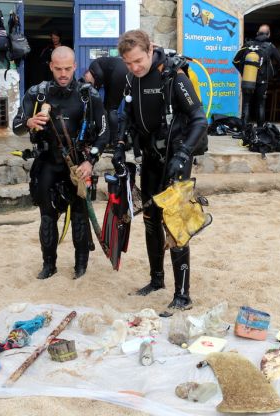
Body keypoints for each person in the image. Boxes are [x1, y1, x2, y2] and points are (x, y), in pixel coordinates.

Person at [116, 30, 207, 311]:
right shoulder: (132, 80)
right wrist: (120, 147)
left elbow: (199, 120)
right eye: (128, 63)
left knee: (175, 223)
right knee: (151, 219)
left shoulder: (173, 76)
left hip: (176, 157)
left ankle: (183, 295)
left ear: (150, 49)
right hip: (152, 158)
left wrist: (183, 155)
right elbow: (125, 118)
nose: (134, 68)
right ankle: (157, 280)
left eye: (138, 61)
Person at [12, 46, 109, 280]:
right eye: (58, 69)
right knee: (47, 216)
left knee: (78, 215)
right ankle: (49, 265)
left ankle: (81, 266)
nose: (63, 74)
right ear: (51, 67)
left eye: (68, 68)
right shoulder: (38, 94)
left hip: (77, 164)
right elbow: (16, 127)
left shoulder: (88, 95)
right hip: (47, 162)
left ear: (75, 66)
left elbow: (105, 133)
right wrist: (29, 122)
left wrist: (91, 160)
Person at [232, 24, 280, 127]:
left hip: (248, 79)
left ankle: (244, 130)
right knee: (260, 105)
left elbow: (235, 61)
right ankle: (260, 130)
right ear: (268, 34)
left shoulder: (247, 44)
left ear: (257, 33)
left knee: (246, 104)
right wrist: (271, 74)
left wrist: (244, 72)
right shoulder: (270, 46)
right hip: (262, 80)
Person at [82, 56, 129, 144]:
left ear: (86, 74)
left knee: (111, 109)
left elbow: (99, 75)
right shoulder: (102, 70)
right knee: (108, 108)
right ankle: (109, 138)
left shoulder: (92, 66)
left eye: (87, 80)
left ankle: (114, 140)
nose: (89, 83)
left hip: (118, 72)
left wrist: (96, 88)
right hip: (121, 72)